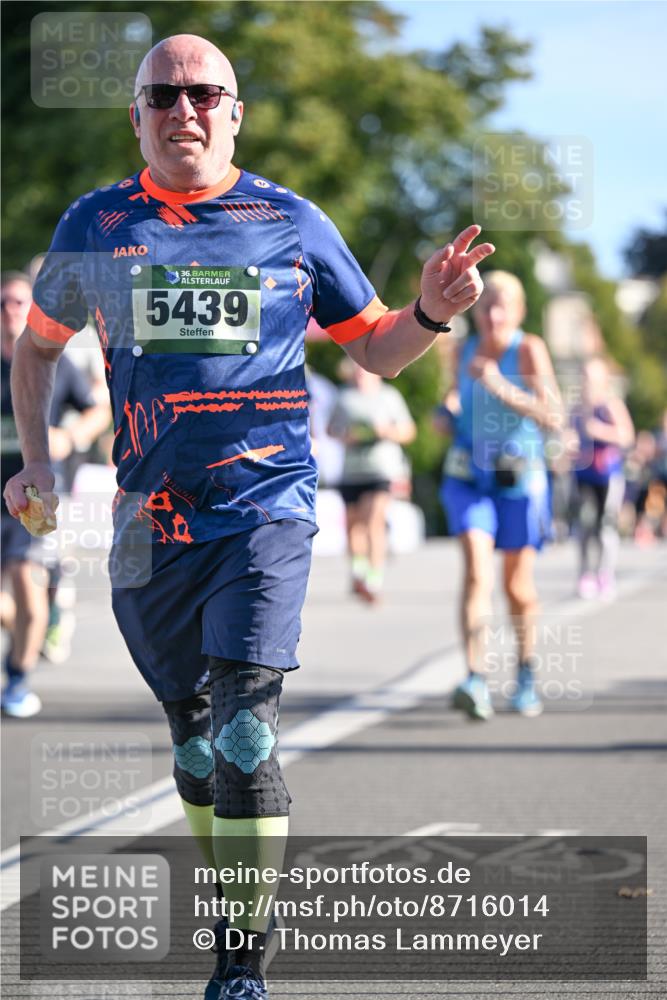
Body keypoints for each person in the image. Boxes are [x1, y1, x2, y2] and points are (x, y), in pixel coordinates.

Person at [3, 34, 493, 1000]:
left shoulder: (291, 221)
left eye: (204, 93)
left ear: (235, 112)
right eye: (163, 94)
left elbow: (377, 352)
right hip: (147, 523)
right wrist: (35, 462)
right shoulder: (96, 224)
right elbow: (35, 351)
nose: (184, 110)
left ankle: (240, 960)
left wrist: (430, 313)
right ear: (136, 114)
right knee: (192, 739)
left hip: (266, 507)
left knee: (245, 732)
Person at [437, 271, 562, 721]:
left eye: (502, 305)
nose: (492, 313)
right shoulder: (463, 348)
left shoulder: (528, 349)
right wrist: (446, 411)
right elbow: (453, 399)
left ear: (519, 311)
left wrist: (500, 386)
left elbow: (553, 416)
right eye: (486, 303)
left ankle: (526, 673)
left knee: (517, 587)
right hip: (469, 475)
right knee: (476, 573)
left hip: (519, 477)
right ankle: (474, 678)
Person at [1, 271, 49, 717]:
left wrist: (73, 432)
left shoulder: (44, 357)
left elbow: (93, 407)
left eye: (19, 303)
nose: (11, 311)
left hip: (29, 497)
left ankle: (17, 677)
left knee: (26, 586)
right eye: (3, 303)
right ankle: (27, 643)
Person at [328, 362, 416, 602]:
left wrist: (386, 432)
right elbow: (329, 429)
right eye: (356, 372)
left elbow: (408, 431)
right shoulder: (343, 396)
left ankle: (374, 579)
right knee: (353, 526)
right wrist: (348, 436)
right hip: (352, 471)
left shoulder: (389, 397)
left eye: (364, 371)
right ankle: (358, 570)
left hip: (382, 469)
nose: (359, 376)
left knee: (373, 521)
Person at [570, 355, 634, 598]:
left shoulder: (610, 405)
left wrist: (600, 430)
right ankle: (585, 574)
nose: (586, 382)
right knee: (584, 527)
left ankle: (604, 574)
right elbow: (567, 437)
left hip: (607, 475)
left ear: (602, 380)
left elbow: (627, 436)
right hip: (582, 474)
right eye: (583, 377)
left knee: (605, 527)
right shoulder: (577, 409)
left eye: (591, 377)